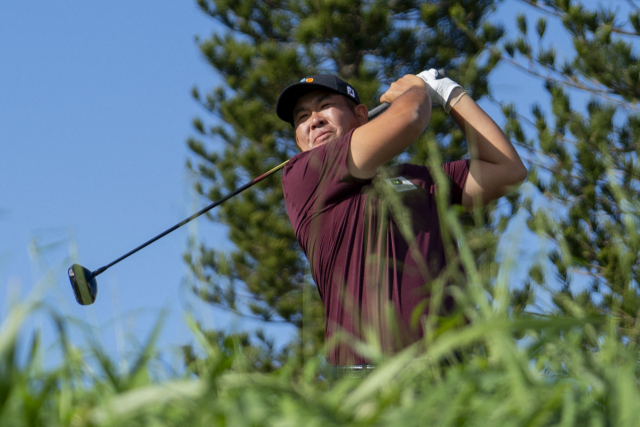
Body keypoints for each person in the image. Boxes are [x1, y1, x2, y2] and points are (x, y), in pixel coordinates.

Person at [276, 71, 527, 366]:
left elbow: (509, 170)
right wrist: (416, 90)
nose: (313, 120)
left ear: (360, 115)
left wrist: (449, 93)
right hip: (369, 379)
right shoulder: (303, 175)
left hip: (454, 377)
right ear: (298, 138)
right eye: (302, 117)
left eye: (324, 105)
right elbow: (410, 117)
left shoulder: (420, 179)